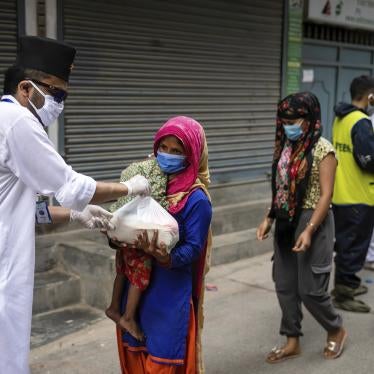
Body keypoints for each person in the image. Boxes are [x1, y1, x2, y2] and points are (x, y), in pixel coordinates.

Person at [0, 36, 150, 374]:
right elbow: (70, 185)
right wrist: (129, 186)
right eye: (57, 93)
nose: (59, 103)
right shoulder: (16, 121)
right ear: (26, 88)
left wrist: (76, 214)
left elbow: (22, 208)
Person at [109, 116, 212, 373]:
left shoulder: (196, 199)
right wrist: (115, 235)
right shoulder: (145, 182)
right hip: (134, 293)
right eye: (163, 148)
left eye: (177, 151)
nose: (167, 155)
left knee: (162, 363)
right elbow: (125, 216)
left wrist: (166, 258)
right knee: (135, 360)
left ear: (192, 156)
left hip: (168, 296)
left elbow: (193, 247)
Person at [257, 92, 347, 363]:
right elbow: (280, 188)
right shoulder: (284, 146)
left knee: (311, 289)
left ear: (308, 118)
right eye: (284, 120)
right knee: (284, 285)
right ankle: (292, 339)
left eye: (294, 119)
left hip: (313, 220)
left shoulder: (323, 149)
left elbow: (325, 195)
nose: (288, 125)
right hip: (285, 221)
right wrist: (269, 217)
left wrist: (308, 230)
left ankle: (336, 328)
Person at [105, 157, 169, 341]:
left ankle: (114, 307)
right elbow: (156, 204)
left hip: (121, 232)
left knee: (122, 272)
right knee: (141, 277)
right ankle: (128, 317)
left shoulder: (132, 169)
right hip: (137, 239)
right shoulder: (157, 174)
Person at [330, 76, 374, 313]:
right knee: (354, 246)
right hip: (359, 195)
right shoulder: (361, 122)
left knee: (347, 243)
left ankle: (349, 284)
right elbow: (368, 160)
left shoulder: (341, 117)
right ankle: (343, 295)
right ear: (369, 96)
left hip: (342, 193)